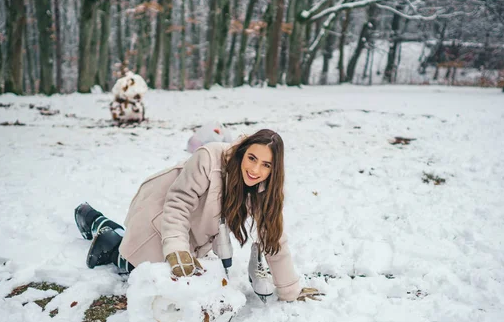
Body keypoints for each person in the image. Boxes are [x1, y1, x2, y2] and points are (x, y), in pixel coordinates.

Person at [74, 129, 322, 302]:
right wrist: (175, 248)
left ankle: (117, 238)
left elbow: (274, 237)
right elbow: (178, 204)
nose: (256, 169)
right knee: (139, 269)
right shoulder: (210, 158)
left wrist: (290, 289)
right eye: (252, 158)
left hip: (189, 229)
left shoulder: (260, 188)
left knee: (185, 279)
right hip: (159, 213)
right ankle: (96, 222)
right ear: (243, 152)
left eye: (266, 165)